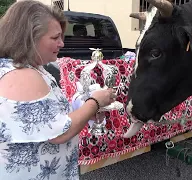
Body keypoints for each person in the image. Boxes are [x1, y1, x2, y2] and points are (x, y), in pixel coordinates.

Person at [0, 1, 116, 179]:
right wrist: (95, 102)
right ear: (30, 37)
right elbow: (59, 132)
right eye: (55, 38)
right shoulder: (22, 75)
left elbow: (47, 119)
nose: (62, 43)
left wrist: (82, 111)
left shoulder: (31, 68)